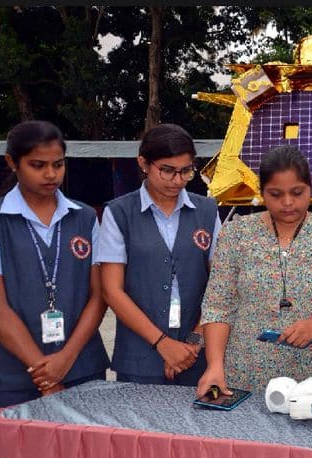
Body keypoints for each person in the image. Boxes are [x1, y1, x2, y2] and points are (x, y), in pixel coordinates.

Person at [196, 145, 312, 397]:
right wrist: (215, 365)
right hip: (245, 375)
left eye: (297, 192)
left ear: (310, 188)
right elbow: (219, 305)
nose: (288, 203)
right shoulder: (237, 234)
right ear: (262, 193)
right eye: (276, 194)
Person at [99, 124, 221, 386]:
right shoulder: (119, 214)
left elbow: (220, 286)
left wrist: (194, 342)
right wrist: (163, 343)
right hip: (139, 358)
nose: (177, 180)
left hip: (198, 356)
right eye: (166, 170)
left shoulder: (207, 211)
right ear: (143, 163)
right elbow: (112, 292)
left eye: (186, 171)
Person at [0, 121, 109, 407]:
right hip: (12, 375)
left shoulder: (84, 217)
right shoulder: (0, 220)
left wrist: (66, 359)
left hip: (82, 367)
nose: (51, 174)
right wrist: (45, 374)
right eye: (38, 165)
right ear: (12, 162)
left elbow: (99, 296)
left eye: (58, 165)